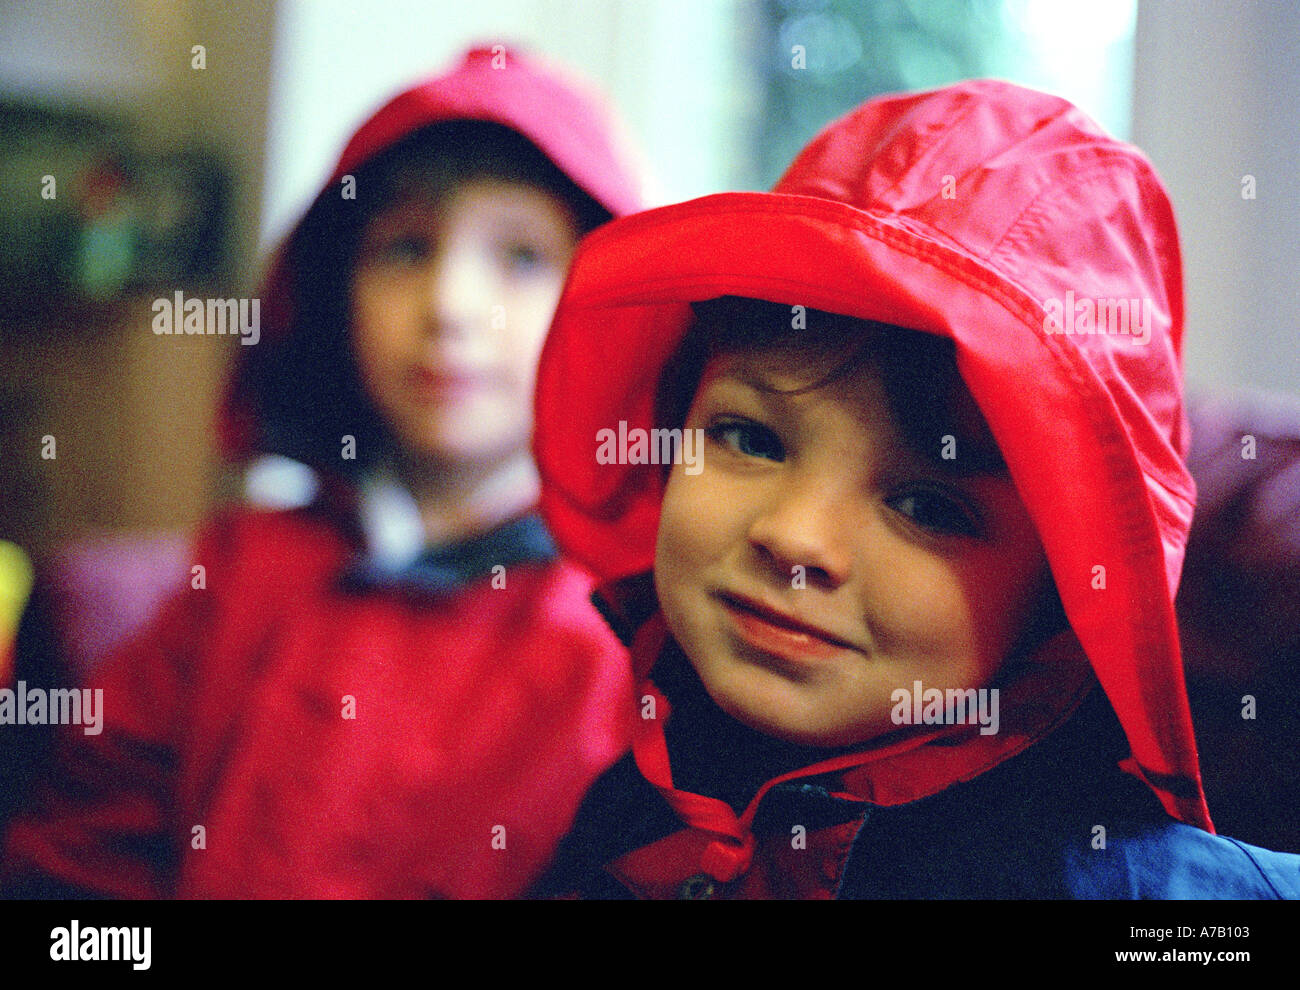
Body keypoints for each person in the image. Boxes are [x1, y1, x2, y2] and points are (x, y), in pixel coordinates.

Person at [526, 79, 1300, 898]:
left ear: (1062, 600)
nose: (794, 538)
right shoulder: (630, 808)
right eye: (751, 438)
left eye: (927, 507)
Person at [1, 45, 640, 899]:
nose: (449, 305)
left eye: (521, 258)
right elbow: (76, 859)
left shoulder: (623, 642)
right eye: (406, 248)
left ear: (607, 306)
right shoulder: (236, 573)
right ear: (336, 292)